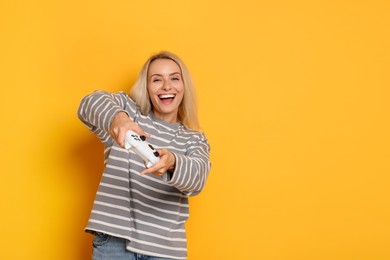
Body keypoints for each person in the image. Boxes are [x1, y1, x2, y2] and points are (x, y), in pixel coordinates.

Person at [78, 51, 211, 260]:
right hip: (113, 241)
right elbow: (89, 103)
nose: (167, 86)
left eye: (174, 78)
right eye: (157, 80)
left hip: (165, 251)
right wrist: (119, 120)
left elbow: (198, 178)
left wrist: (172, 163)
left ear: (184, 86)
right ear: (147, 87)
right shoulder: (127, 112)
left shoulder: (194, 139)